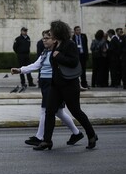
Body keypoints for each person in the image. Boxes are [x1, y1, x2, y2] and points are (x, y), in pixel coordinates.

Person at [11, 30, 83, 147]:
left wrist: (78, 83)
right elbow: (36, 65)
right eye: (43, 38)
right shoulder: (45, 52)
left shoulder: (58, 53)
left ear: (54, 40)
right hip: (45, 83)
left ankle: (40, 137)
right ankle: (77, 133)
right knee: (58, 112)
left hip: (53, 83)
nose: (44, 40)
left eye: (47, 38)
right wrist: (20, 70)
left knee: (45, 109)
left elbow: (69, 69)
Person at [34, 20, 97, 151]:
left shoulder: (70, 44)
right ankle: (47, 141)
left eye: (51, 31)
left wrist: (59, 56)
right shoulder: (55, 44)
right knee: (49, 111)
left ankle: (91, 134)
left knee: (76, 111)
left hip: (69, 84)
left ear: (58, 31)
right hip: (56, 85)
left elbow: (74, 62)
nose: (50, 33)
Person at [72, 25, 90, 90]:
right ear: (74, 31)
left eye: (79, 30)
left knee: (83, 70)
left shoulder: (83, 36)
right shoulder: (73, 37)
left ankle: (84, 84)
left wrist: (86, 55)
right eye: (77, 30)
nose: (79, 31)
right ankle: (76, 84)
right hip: (76, 56)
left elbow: (86, 45)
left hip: (82, 55)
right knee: (76, 70)